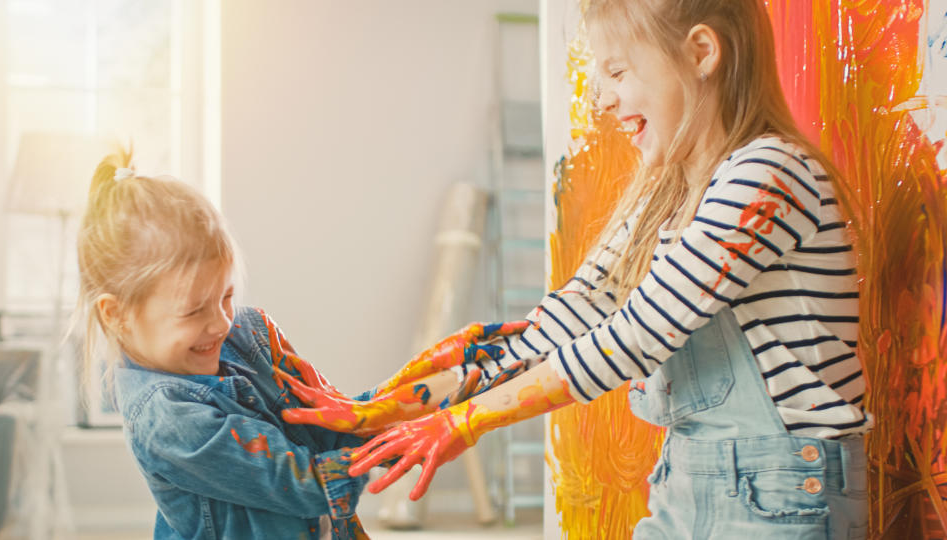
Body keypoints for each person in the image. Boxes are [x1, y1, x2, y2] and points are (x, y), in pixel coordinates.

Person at [289, 1, 872, 537]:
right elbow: (557, 328)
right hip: (686, 485)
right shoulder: (663, 196)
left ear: (701, 53)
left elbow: (636, 336)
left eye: (618, 73)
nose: (602, 99)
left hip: (784, 494)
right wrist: (381, 407)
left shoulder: (768, 174)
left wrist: (468, 423)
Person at [74, 149, 387, 540]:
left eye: (226, 297)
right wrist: (389, 443)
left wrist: (386, 413)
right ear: (116, 314)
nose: (221, 323)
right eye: (193, 311)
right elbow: (308, 485)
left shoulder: (247, 332)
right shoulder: (167, 418)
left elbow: (324, 418)